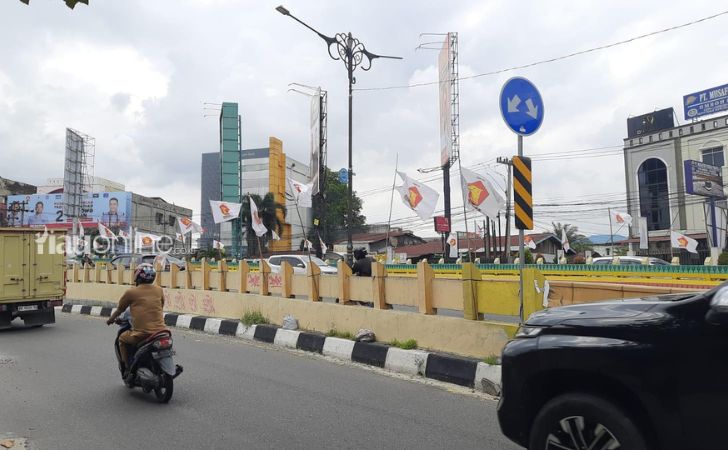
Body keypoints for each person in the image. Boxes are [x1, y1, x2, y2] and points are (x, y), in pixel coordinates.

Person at [106, 264, 165, 375]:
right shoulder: (159, 290)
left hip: (142, 334)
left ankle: (127, 367)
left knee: (122, 339)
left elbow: (120, 310)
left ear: (137, 276)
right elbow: (161, 307)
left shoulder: (131, 292)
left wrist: (110, 320)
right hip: (161, 332)